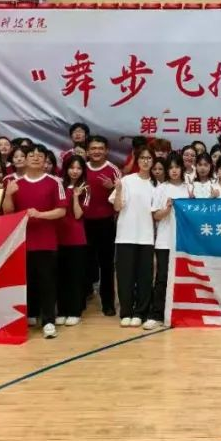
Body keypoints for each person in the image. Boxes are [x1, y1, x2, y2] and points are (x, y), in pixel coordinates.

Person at [2, 147, 67, 339]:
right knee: (24, 281)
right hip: (21, 241)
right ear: (24, 159)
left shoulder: (54, 182)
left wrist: (40, 214)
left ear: (46, 160)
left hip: (46, 241)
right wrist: (8, 195)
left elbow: (61, 211)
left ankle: (48, 321)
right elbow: (7, 212)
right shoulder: (14, 183)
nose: (35, 158)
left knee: (47, 282)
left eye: (40, 156)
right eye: (31, 155)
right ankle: (29, 315)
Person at [112, 148, 157, 327]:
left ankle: (140, 312)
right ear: (137, 161)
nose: (146, 161)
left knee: (145, 277)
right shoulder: (127, 180)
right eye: (142, 158)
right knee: (125, 277)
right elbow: (117, 207)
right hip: (125, 236)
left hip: (146, 237)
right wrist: (118, 190)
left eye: (149, 158)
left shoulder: (157, 184)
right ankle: (126, 312)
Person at [82, 135, 121, 317]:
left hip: (106, 223)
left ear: (106, 151)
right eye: (93, 148)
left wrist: (112, 187)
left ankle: (108, 303)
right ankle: (82, 298)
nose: (96, 151)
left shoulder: (113, 170)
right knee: (85, 262)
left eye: (100, 148)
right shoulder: (81, 168)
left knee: (106, 265)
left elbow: (122, 196)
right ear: (87, 151)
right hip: (83, 222)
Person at [150, 153, 187, 329]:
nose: (174, 171)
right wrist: (167, 209)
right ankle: (156, 314)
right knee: (162, 277)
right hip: (164, 240)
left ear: (182, 169)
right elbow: (156, 216)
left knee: (183, 278)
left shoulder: (189, 188)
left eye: (177, 167)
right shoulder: (161, 189)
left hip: (184, 241)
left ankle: (182, 314)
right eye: (170, 167)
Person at [56, 155, 88, 328]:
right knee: (60, 276)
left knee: (75, 276)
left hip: (76, 238)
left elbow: (78, 214)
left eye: (79, 168)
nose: (75, 171)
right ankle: (62, 311)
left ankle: (75, 312)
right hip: (58, 237)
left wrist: (75, 197)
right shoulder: (59, 185)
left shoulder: (86, 188)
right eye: (72, 167)